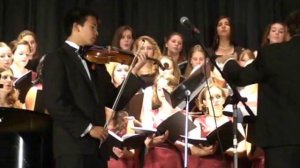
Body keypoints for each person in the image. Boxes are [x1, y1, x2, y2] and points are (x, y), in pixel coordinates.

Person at [43, 8, 145, 168]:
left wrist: (135, 72)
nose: (97, 32)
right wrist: (88, 128)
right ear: (77, 27)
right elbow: (55, 102)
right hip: (73, 148)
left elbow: (114, 101)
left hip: (98, 149)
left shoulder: (96, 61)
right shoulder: (56, 58)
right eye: (93, 27)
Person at [222, 10, 300, 168]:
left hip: (280, 139)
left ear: (289, 31)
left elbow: (241, 78)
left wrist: (229, 63)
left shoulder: (273, 54)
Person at [186, 84, 247, 168]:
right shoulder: (198, 122)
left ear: (223, 99)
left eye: (218, 96)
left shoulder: (233, 120)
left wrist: (224, 149)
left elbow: (243, 149)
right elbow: (192, 149)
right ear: (205, 102)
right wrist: (204, 151)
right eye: (211, 98)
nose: (215, 100)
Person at [141, 73, 182, 168]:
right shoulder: (151, 114)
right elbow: (147, 143)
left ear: (174, 89)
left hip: (175, 160)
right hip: (155, 160)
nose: (162, 93)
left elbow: (190, 145)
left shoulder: (183, 114)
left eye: (166, 89)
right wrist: (153, 142)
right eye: (159, 89)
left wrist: (176, 143)